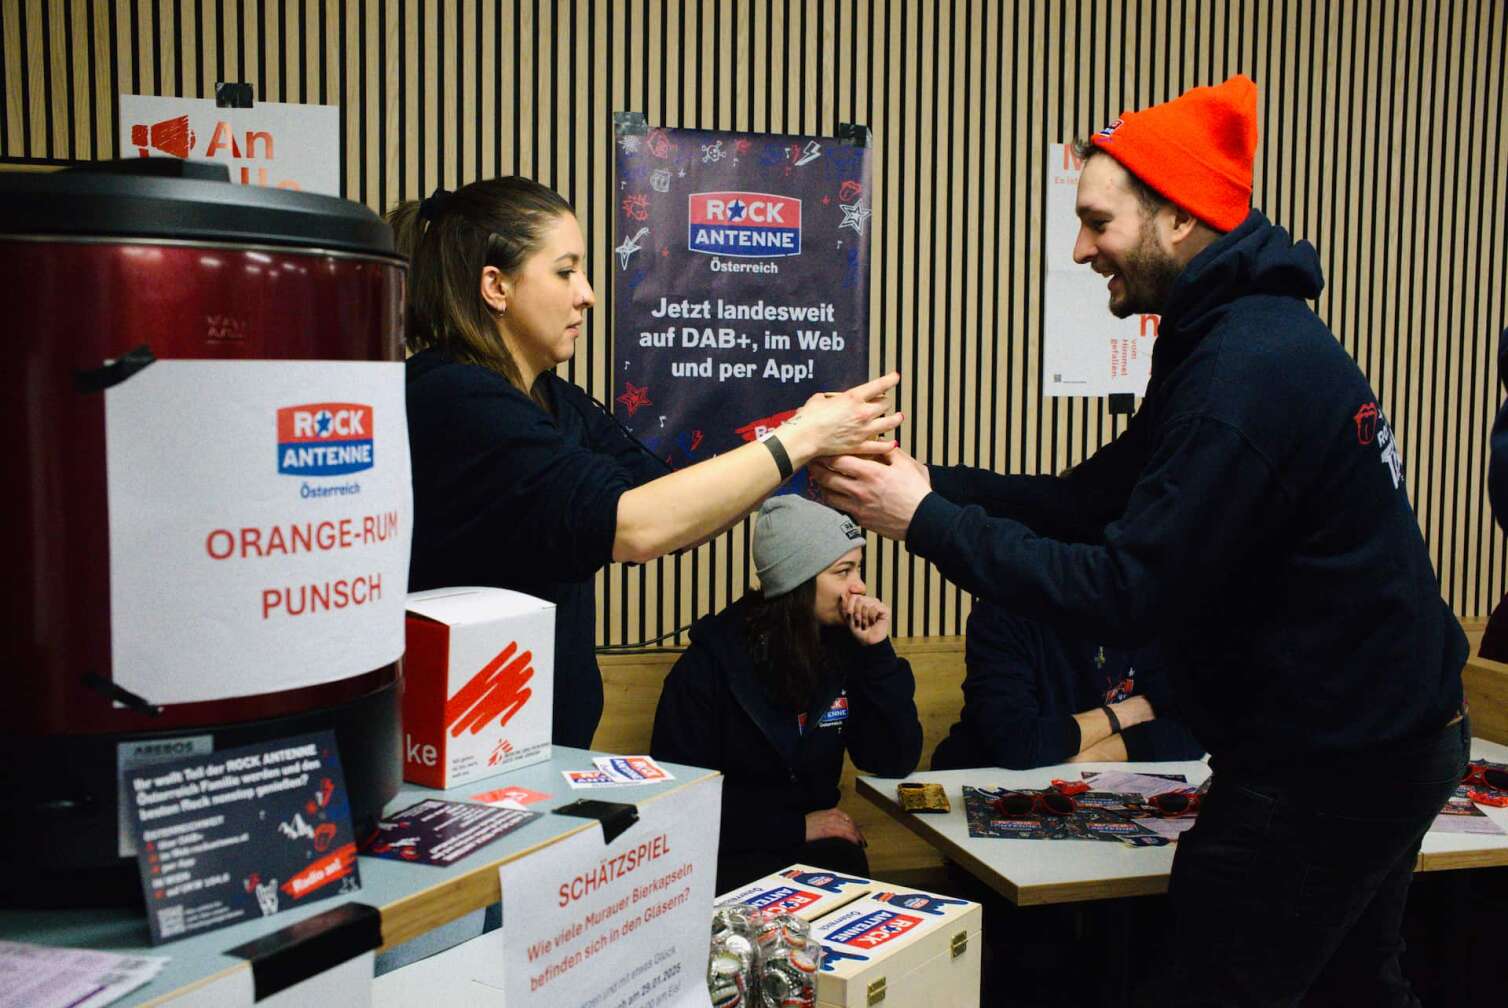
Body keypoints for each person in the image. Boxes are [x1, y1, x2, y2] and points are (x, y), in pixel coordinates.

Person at [813, 75, 1466, 1006]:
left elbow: (1127, 588)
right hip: (1381, 733)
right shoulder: (1225, 338)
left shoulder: (1247, 370)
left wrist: (920, 518)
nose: (1080, 249)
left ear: (1180, 218)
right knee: (1355, 986)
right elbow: (1091, 499)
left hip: (1337, 755)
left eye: (1098, 221)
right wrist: (921, 481)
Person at [393, 178, 901, 748]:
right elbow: (637, 526)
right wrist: (798, 440)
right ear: (496, 285)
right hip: (457, 746)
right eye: (565, 271)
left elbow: (673, 508)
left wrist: (804, 448)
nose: (586, 293)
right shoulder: (454, 398)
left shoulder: (553, 400)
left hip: (537, 745)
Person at [650, 496, 922, 892]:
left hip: (817, 857)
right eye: (843, 571)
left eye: (857, 569)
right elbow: (678, 806)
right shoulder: (707, 666)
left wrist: (878, 653)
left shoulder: (845, 647)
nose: (859, 587)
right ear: (797, 580)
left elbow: (894, 758)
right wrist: (796, 827)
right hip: (725, 859)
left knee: (846, 863)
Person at [931, 598, 1203, 770]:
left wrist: (1086, 757)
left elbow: (1194, 732)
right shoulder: (1004, 611)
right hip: (993, 792)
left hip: (1098, 795)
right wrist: (1127, 713)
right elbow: (1016, 743)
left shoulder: (1145, 607)